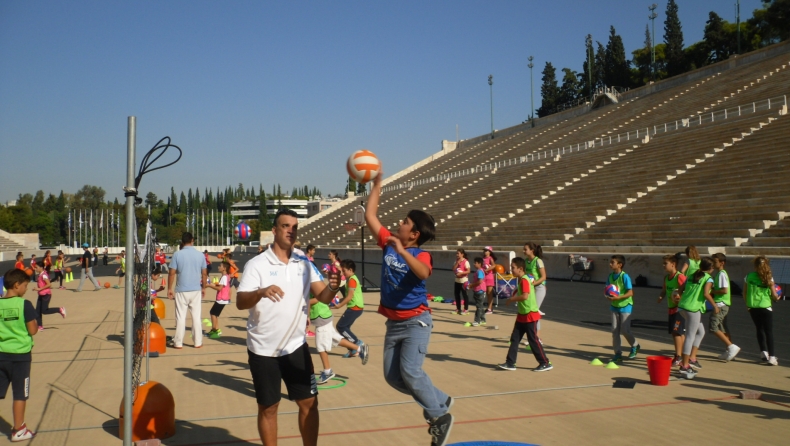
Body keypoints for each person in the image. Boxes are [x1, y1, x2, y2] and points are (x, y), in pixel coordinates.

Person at [236, 209, 361, 446]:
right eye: (285, 226)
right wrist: (261, 292)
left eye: (294, 227)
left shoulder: (303, 261)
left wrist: (334, 287)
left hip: (295, 347)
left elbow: (322, 297)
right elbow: (241, 302)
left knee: (309, 404)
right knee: (269, 408)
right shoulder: (257, 264)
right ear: (274, 231)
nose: (290, 231)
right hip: (263, 349)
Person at [365, 172, 453, 446]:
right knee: (393, 378)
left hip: (417, 323)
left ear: (414, 234)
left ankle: (439, 416)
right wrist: (377, 185)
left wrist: (402, 252)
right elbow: (370, 216)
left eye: (404, 222)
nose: (399, 224)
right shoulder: (389, 244)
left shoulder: (419, 253)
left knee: (412, 373)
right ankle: (439, 399)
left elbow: (424, 273)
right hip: (393, 324)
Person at [1, 269, 39, 441]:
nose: (25, 289)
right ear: (17, 285)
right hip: (20, 356)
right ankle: (18, 430)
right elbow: (33, 330)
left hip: (1, 354)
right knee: (19, 394)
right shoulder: (24, 304)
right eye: (25, 286)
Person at [497, 257, 552, 372]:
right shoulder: (524, 279)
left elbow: (525, 296)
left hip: (530, 315)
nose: (511, 270)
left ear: (520, 269)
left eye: (513, 268)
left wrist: (512, 299)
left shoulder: (525, 280)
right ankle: (510, 363)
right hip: (522, 315)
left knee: (533, 340)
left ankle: (545, 362)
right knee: (515, 339)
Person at [309, 282, 368, 384]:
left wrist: (305, 302)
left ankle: (328, 371)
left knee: (321, 346)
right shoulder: (311, 284)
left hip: (321, 317)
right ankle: (359, 348)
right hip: (323, 316)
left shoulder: (313, 284)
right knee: (335, 339)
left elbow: (318, 298)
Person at [675, 257, 718, 379]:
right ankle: (684, 365)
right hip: (693, 309)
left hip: (682, 307)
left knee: (701, 332)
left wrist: (679, 296)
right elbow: (706, 293)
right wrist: (714, 305)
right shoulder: (708, 278)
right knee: (690, 336)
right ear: (710, 268)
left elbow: (680, 289)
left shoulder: (693, 275)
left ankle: (691, 358)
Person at [167, 232, 207, 349]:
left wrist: (169, 288)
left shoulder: (177, 254)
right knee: (196, 317)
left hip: (181, 290)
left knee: (180, 317)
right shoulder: (200, 255)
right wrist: (203, 287)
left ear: (182, 241)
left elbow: (172, 273)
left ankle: (178, 342)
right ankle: (197, 342)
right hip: (195, 290)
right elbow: (204, 273)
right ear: (192, 240)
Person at [744, 255, 780, 366]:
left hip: (753, 306)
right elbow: (774, 295)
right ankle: (772, 357)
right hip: (765, 306)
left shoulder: (748, 276)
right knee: (769, 331)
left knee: (759, 329)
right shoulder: (769, 277)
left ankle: (763, 352)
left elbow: (744, 293)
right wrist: (777, 298)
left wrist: (748, 305)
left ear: (755, 265)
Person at [606, 255, 640, 363]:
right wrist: (608, 296)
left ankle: (635, 345)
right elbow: (607, 289)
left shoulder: (625, 276)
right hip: (614, 306)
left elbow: (630, 292)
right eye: (610, 262)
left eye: (613, 262)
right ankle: (618, 353)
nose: (610, 264)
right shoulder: (610, 276)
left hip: (625, 306)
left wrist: (619, 297)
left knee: (625, 330)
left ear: (620, 265)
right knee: (614, 330)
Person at [657, 254, 686, 366]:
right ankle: (683, 354)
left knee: (676, 332)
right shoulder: (666, 278)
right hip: (671, 309)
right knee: (678, 333)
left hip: (680, 309)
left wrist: (680, 297)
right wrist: (661, 296)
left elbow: (687, 289)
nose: (663, 266)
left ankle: (678, 356)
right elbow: (664, 290)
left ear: (673, 264)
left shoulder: (679, 277)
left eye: (665, 264)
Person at [710, 253, 740, 362]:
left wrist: (711, 291)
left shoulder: (722, 274)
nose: (713, 264)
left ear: (722, 263)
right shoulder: (719, 274)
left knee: (714, 326)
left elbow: (724, 290)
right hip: (721, 303)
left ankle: (731, 347)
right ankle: (729, 349)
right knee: (722, 328)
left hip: (721, 303)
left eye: (715, 262)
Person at [335, 259, 365, 356]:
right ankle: (353, 349)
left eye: (344, 271)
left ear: (351, 270)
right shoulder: (352, 279)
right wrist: (337, 300)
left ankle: (357, 343)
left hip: (354, 308)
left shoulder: (352, 280)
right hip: (356, 308)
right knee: (345, 328)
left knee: (341, 326)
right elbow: (348, 296)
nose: (343, 273)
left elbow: (349, 297)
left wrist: (339, 305)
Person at [32, 262, 65, 330]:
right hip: (41, 294)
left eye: (36, 267)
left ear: (41, 268)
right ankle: (40, 326)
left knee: (44, 311)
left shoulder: (44, 275)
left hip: (46, 295)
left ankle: (59, 309)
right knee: (37, 310)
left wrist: (39, 288)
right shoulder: (40, 275)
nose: (35, 269)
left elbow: (49, 284)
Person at [524, 242, 547, 338]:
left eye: (525, 249)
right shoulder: (526, 261)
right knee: (531, 312)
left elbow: (543, 277)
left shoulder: (538, 261)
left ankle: (537, 337)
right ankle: (534, 336)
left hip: (539, 288)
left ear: (532, 250)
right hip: (531, 288)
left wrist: (534, 283)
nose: (524, 251)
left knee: (534, 312)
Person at [204, 261, 231, 339]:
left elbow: (219, 288)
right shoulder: (226, 276)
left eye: (220, 265)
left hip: (221, 299)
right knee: (215, 314)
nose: (218, 267)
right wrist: (212, 284)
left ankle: (214, 330)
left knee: (212, 313)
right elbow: (220, 285)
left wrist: (209, 286)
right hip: (223, 299)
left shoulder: (224, 277)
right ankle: (217, 329)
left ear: (224, 268)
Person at [464, 258, 488, 327]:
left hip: (480, 291)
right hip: (477, 291)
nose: (474, 264)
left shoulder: (480, 271)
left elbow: (480, 281)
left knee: (478, 307)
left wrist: (471, 285)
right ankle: (483, 320)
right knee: (480, 306)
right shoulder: (478, 271)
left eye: (475, 263)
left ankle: (477, 321)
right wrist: (471, 285)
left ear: (479, 264)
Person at [452, 249, 470, 315]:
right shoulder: (456, 261)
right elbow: (453, 269)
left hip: (464, 281)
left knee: (465, 295)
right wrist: (457, 263)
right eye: (456, 253)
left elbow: (468, 271)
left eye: (458, 253)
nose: (457, 255)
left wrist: (462, 273)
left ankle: (466, 309)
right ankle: (458, 308)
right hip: (457, 280)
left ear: (462, 254)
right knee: (457, 294)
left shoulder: (466, 262)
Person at [483, 247, 497, 314]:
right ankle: (489, 307)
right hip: (484, 277)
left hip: (489, 277)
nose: (485, 252)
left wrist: (487, 269)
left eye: (486, 251)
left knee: (489, 293)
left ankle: (490, 308)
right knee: (486, 292)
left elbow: (494, 265)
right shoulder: (483, 259)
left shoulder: (490, 258)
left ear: (489, 252)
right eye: (484, 251)